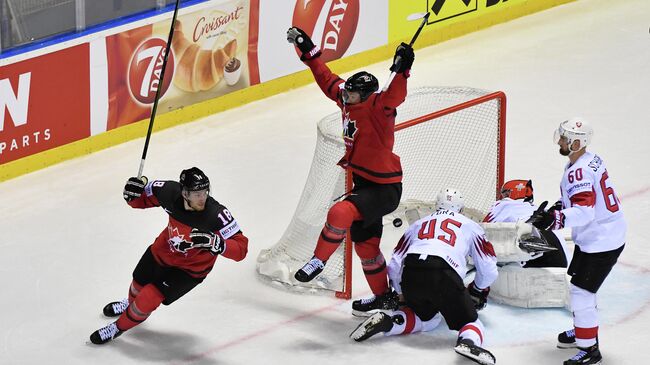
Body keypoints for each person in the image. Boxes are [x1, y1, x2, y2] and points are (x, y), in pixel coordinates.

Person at [286, 27, 414, 314]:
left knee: (340, 212)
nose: (345, 96)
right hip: (364, 186)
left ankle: (318, 260)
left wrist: (404, 68)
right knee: (366, 249)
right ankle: (385, 297)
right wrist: (309, 51)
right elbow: (327, 79)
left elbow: (395, 95)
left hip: (384, 188)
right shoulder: (347, 100)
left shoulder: (380, 108)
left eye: (352, 94)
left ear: (366, 96)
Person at [89, 167, 249, 344]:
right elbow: (140, 199)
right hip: (161, 251)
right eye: (197, 194)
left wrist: (217, 244)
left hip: (189, 271)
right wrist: (131, 194)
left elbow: (241, 249)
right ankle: (129, 304)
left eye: (205, 191)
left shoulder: (216, 214)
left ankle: (117, 328)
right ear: (184, 193)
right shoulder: (167, 191)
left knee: (149, 296)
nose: (202, 197)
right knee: (137, 284)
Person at [350, 189, 498, 365]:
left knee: (427, 319)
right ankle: (467, 342)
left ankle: (389, 322)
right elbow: (489, 269)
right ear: (461, 208)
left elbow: (396, 263)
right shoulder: (471, 225)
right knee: (471, 323)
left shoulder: (418, 224)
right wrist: (478, 289)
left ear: (436, 206)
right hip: (444, 272)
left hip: (412, 272)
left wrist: (399, 291)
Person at [527, 118, 626, 365]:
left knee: (581, 293)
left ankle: (590, 349)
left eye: (564, 138)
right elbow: (583, 198)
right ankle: (585, 329)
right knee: (581, 288)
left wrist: (555, 219)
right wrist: (561, 206)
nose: (559, 141)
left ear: (576, 142)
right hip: (599, 236)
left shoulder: (578, 171)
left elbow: (585, 212)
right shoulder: (589, 159)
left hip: (602, 240)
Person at [485, 179, 569, 268]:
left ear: (509, 193)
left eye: (504, 193)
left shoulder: (502, 205)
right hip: (559, 253)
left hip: (531, 247)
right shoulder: (536, 208)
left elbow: (484, 226)